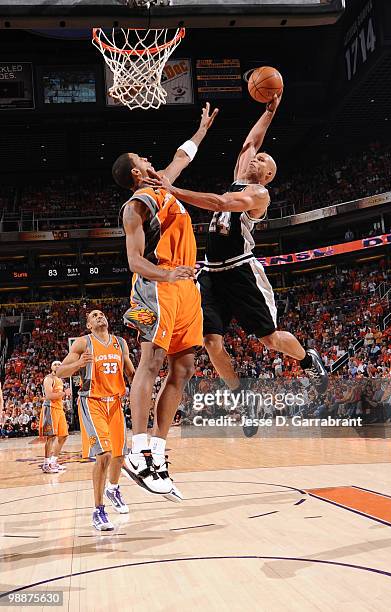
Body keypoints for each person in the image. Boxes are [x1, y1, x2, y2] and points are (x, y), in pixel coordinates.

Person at [146, 93, 328, 436]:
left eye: (260, 160)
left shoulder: (259, 195)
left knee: (270, 339)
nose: (253, 158)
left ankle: (307, 360)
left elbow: (220, 201)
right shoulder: (240, 175)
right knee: (211, 342)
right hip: (211, 273)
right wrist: (270, 110)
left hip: (241, 271)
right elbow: (250, 140)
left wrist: (173, 189)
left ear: (268, 173)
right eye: (254, 157)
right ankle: (243, 400)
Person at [111, 102, 218, 498]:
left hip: (186, 286)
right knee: (151, 361)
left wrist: (202, 129)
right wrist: (168, 273)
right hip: (156, 284)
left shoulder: (163, 186)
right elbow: (135, 260)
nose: (150, 158)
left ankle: (156, 452)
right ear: (136, 173)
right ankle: (138, 448)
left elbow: (180, 157)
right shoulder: (136, 205)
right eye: (142, 158)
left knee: (184, 368)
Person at [56, 310, 135, 531]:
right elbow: (61, 371)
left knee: (119, 456)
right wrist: (79, 364)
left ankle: (113, 489)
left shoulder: (120, 343)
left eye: (101, 314)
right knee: (105, 455)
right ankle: (98, 511)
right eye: (94, 315)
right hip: (93, 402)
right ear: (89, 325)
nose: (99, 316)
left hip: (116, 404)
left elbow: (131, 373)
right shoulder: (83, 343)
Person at [39, 361, 71, 474]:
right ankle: (46, 464)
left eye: (59, 364)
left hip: (59, 409)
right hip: (50, 408)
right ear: (51, 367)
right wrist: (64, 393)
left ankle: (53, 462)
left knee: (63, 436)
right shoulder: (49, 379)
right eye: (55, 364)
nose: (57, 365)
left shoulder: (60, 379)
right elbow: (49, 396)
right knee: (51, 437)